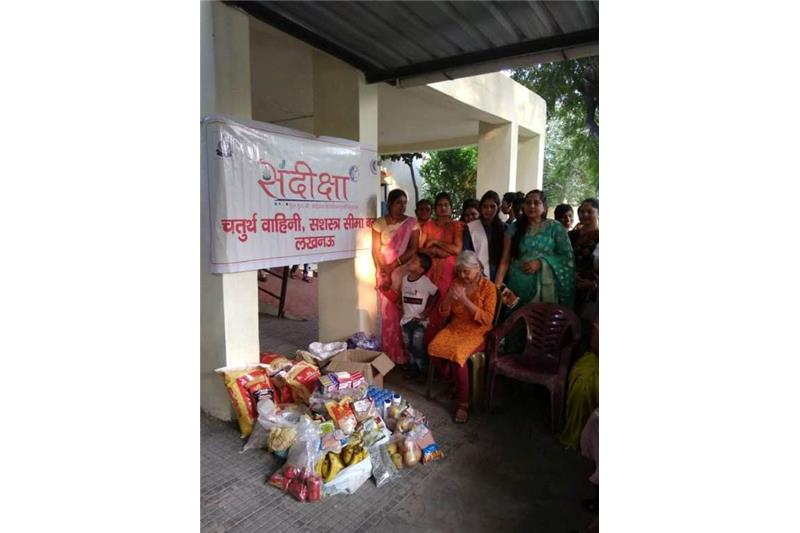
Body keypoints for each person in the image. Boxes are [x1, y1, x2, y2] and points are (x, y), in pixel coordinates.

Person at [428, 251, 497, 424]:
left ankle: (463, 404)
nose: (462, 275)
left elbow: (487, 319)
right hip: (456, 326)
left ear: (477, 268)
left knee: (457, 355)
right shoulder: (456, 283)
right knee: (434, 348)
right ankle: (455, 382)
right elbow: (443, 312)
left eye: (466, 271)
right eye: (460, 271)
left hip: (478, 330)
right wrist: (449, 297)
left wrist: (465, 300)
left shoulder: (488, 287)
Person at [495, 189, 575, 309]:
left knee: (541, 323)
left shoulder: (555, 227)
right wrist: (497, 285)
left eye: (536, 203)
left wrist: (541, 263)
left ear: (544, 206)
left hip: (546, 288)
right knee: (517, 322)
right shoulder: (514, 229)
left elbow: (567, 258)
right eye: (528, 203)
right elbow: (505, 260)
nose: (531, 206)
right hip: (517, 286)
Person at [372, 189, 421, 365]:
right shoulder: (379, 223)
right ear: (390, 203)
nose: (403, 206)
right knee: (387, 314)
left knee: (404, 311)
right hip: (384, 271)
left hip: (403, 271)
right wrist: (384, 269)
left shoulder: (412, 223)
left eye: (405, 202)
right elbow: (375, 249)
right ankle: (389, 354)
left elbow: (413, 249)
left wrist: (394, 265)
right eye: (399, 202)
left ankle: (405, 356)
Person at [419, 192, 463, 343]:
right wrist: (440, 252)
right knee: (427, 306)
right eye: (440, 205)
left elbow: (457, 249)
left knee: (444, 307)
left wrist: (436, 245)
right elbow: (421, 249)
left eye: (446, 205)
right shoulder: (428, 225)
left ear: (451, 208)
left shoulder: (456, 225)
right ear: (435, 208)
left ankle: (440, 346)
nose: (443, 208)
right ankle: (426, 349)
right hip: (429, 271)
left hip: (448, 273)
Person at [398, 252, 439, 380]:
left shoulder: (425, 282)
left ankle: (422, 371)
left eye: (415, 261)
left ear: (421, 269)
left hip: (418, 321)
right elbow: (403, 293)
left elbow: (437, 293)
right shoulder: (405, 278)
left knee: (417, 347)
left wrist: (427, 311)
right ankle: (412, 369)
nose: (411, 262)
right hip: (406, 320)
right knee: (408, 346)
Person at [463, 190, 505, 281]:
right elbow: (467, 253)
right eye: (485, 206)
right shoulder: (471, 228)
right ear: (480, 208)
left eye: (492, 206)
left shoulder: (505, 228)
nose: (488, 210)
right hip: (476, 274)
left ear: (498, 208)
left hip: (500, 274)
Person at [569, 198, 599, 310]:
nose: (585, 214)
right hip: (569, 284)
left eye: (590, 211)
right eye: (582, 211)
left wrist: (593, 283)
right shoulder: (570, 236)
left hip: (592, 291)